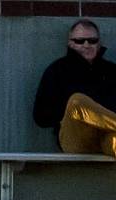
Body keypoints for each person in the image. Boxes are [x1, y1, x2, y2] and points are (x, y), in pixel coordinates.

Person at [33, 19, 116, 156]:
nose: (86, 45)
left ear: (99, 43)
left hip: (106, 135)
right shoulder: (58, 70)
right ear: (70, 43)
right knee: (77, 102)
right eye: (80, 41)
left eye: (92, 40)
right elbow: (41, 117)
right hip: (76, 137)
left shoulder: (112, 71)